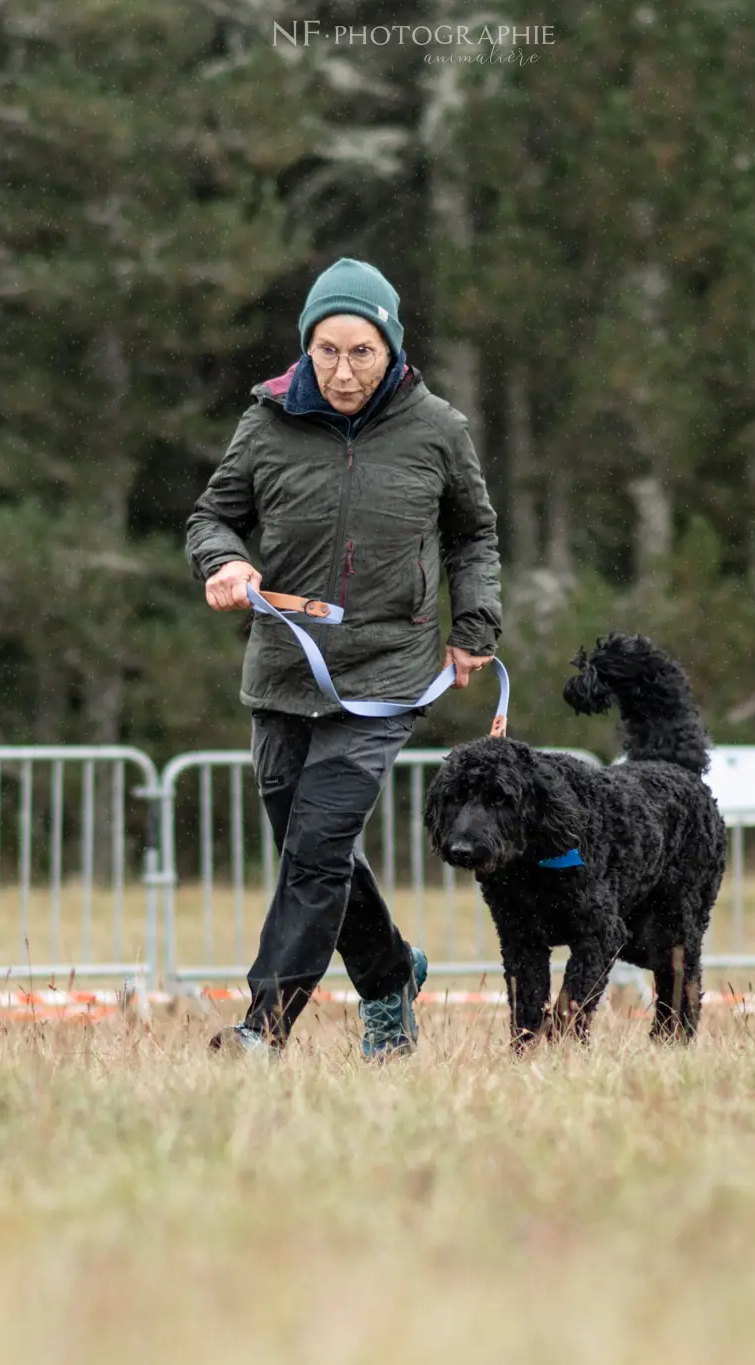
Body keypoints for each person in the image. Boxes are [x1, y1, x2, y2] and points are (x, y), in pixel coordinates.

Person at [185, 257, 501, 1057]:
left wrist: (475, 624)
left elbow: (472, 533)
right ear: (306, 345)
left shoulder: (438, 429)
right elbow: (212, 517)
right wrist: (224, 562)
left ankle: (264, 1030)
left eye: (361, 351)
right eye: (326, 350)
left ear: (391, 347)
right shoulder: (265, 422)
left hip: (386, 674)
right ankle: (391, 974)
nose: (342, 370)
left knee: (319, 848)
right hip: (284, 673)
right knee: (312, 852)